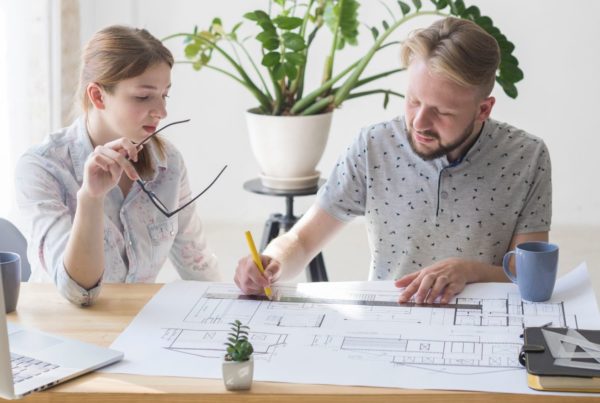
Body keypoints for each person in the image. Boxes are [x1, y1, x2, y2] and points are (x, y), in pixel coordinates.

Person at [234, 17, 552, 304]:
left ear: (483, 109)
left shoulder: (527, 157)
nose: (419, 123)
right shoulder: (374, 146)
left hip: (486, 327)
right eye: (413, 101)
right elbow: (302, 240)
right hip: (389, 324)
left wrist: (468, 270)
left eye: (441, 112)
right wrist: (269, 262)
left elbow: (529, 276)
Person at [15, 26, 221, 306]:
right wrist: (91, 198)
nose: (162, 112)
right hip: (63, 330)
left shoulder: (168, 163)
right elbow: (78, 292)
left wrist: (240, 299)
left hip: (135, 330)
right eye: (143, 96)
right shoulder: (42, 167)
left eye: (164, 95)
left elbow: (198, 268)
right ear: (98, 96)